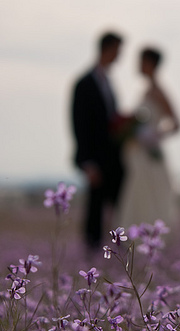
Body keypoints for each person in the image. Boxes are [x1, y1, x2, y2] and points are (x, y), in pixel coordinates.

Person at [114, 47, 180, 230]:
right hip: (139, 155)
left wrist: (155, 135)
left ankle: (152, 239)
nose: (138, 65)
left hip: (150, 155)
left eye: (141, 61)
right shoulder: (147, 90)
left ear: (151, 63)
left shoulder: (158, 91)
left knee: (152, 197)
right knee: (139, 196)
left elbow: (177, 124)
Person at [71, 31, 125, 249]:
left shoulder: (108, 82)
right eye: (117, 51)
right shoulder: (84, 83)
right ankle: (92, 254)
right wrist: (87, 162)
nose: (119, 56)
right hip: (96, 160)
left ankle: (117, 252)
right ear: (107, 49)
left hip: (114, 157)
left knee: (117, 207)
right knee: (95, 208)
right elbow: (78, 124)